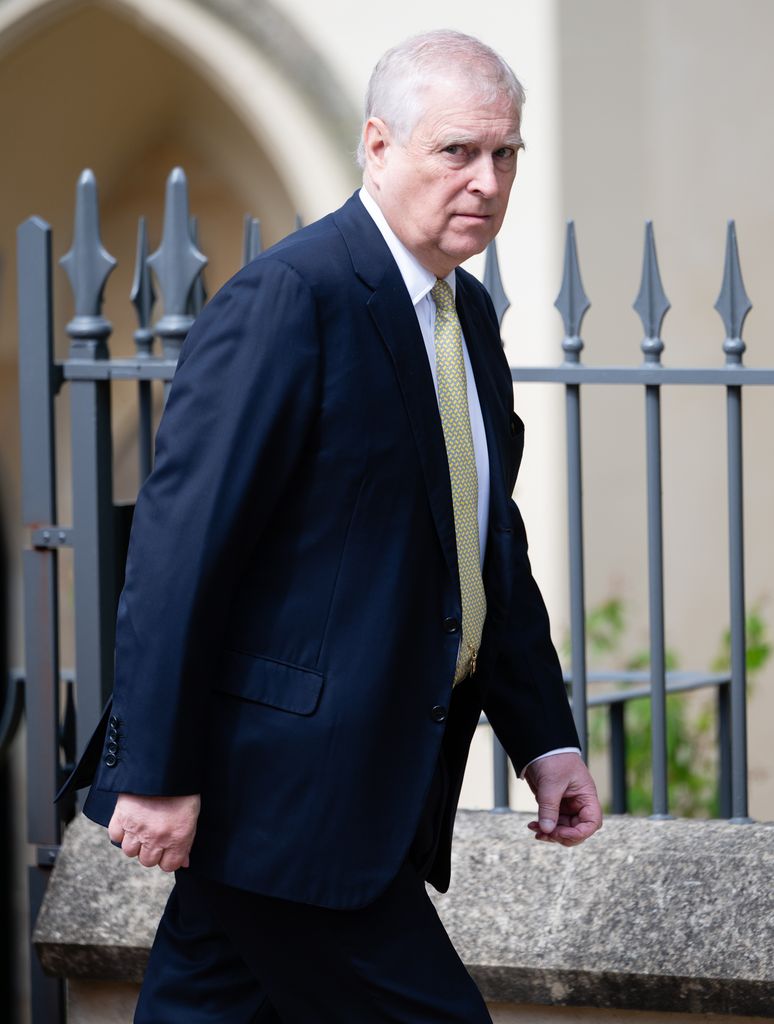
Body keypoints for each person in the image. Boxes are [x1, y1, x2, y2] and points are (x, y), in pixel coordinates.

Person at [63, 28, 602, 1023]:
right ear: (378, 145)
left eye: (505, 153)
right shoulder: (290, 298)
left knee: (203, 1005)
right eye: (457, 150)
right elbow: (182, 551)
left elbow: (486, 548)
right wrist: (154, 772)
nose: (486, 178)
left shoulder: (465, 318)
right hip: (284, 799)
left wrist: (546, 740)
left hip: (359, 789)